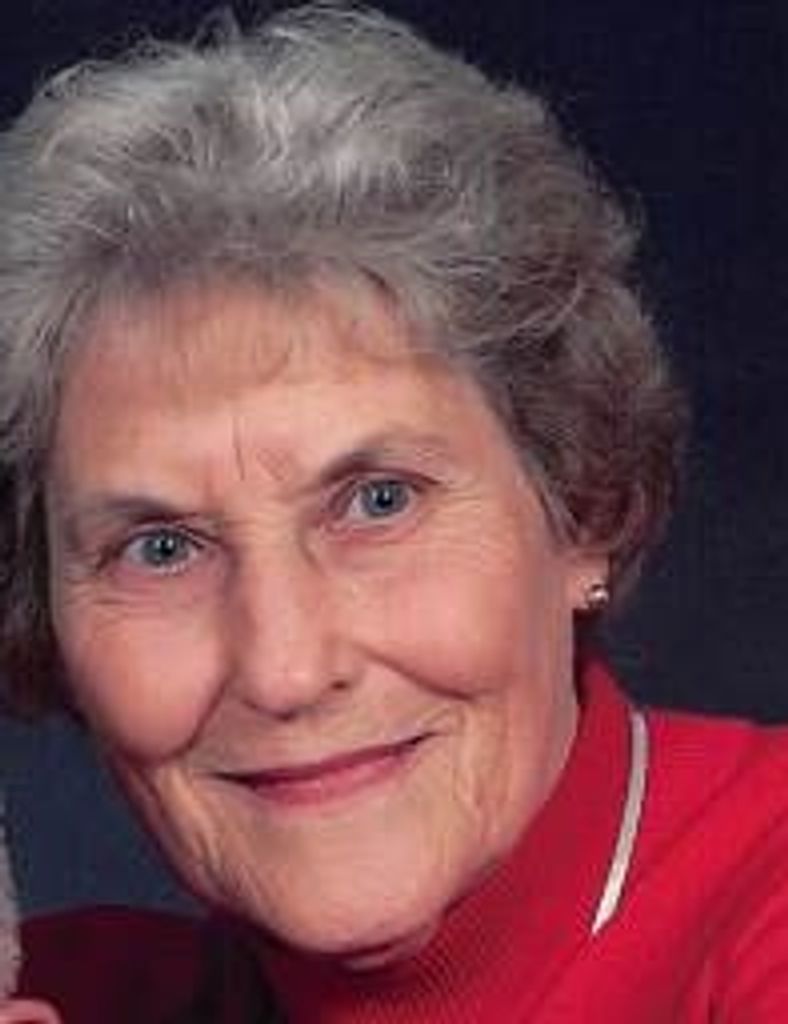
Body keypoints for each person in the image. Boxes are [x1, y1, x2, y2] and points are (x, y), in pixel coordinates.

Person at [1, 3, 787, 1021]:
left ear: (583, 506)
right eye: (159, 549)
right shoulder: (79, 993)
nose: (284, 669)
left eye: (377, 502)